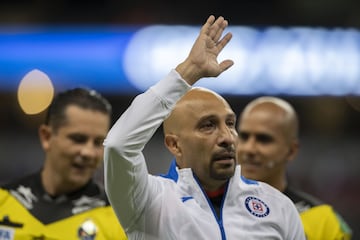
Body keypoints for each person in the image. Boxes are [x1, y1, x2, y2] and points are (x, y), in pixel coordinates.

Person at [104, 15, 305, 239]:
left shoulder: (278, 207)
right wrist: (188, 71)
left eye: (230, 124)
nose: (227, 138)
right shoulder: (150, 201)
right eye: (208, 126)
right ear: (174, 144)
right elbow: (118, 145)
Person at [0, 88, 127, 239]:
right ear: (46, 137)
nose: (88, 152)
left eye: (98, 143)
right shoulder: (4, 201)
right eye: (78, 139)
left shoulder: (120, 222)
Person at [236, 96, 353, 240]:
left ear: (291, 150)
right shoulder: (207, 206)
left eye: (264, 139)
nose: (249, 148)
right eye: (243, 137)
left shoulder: (322, 219)